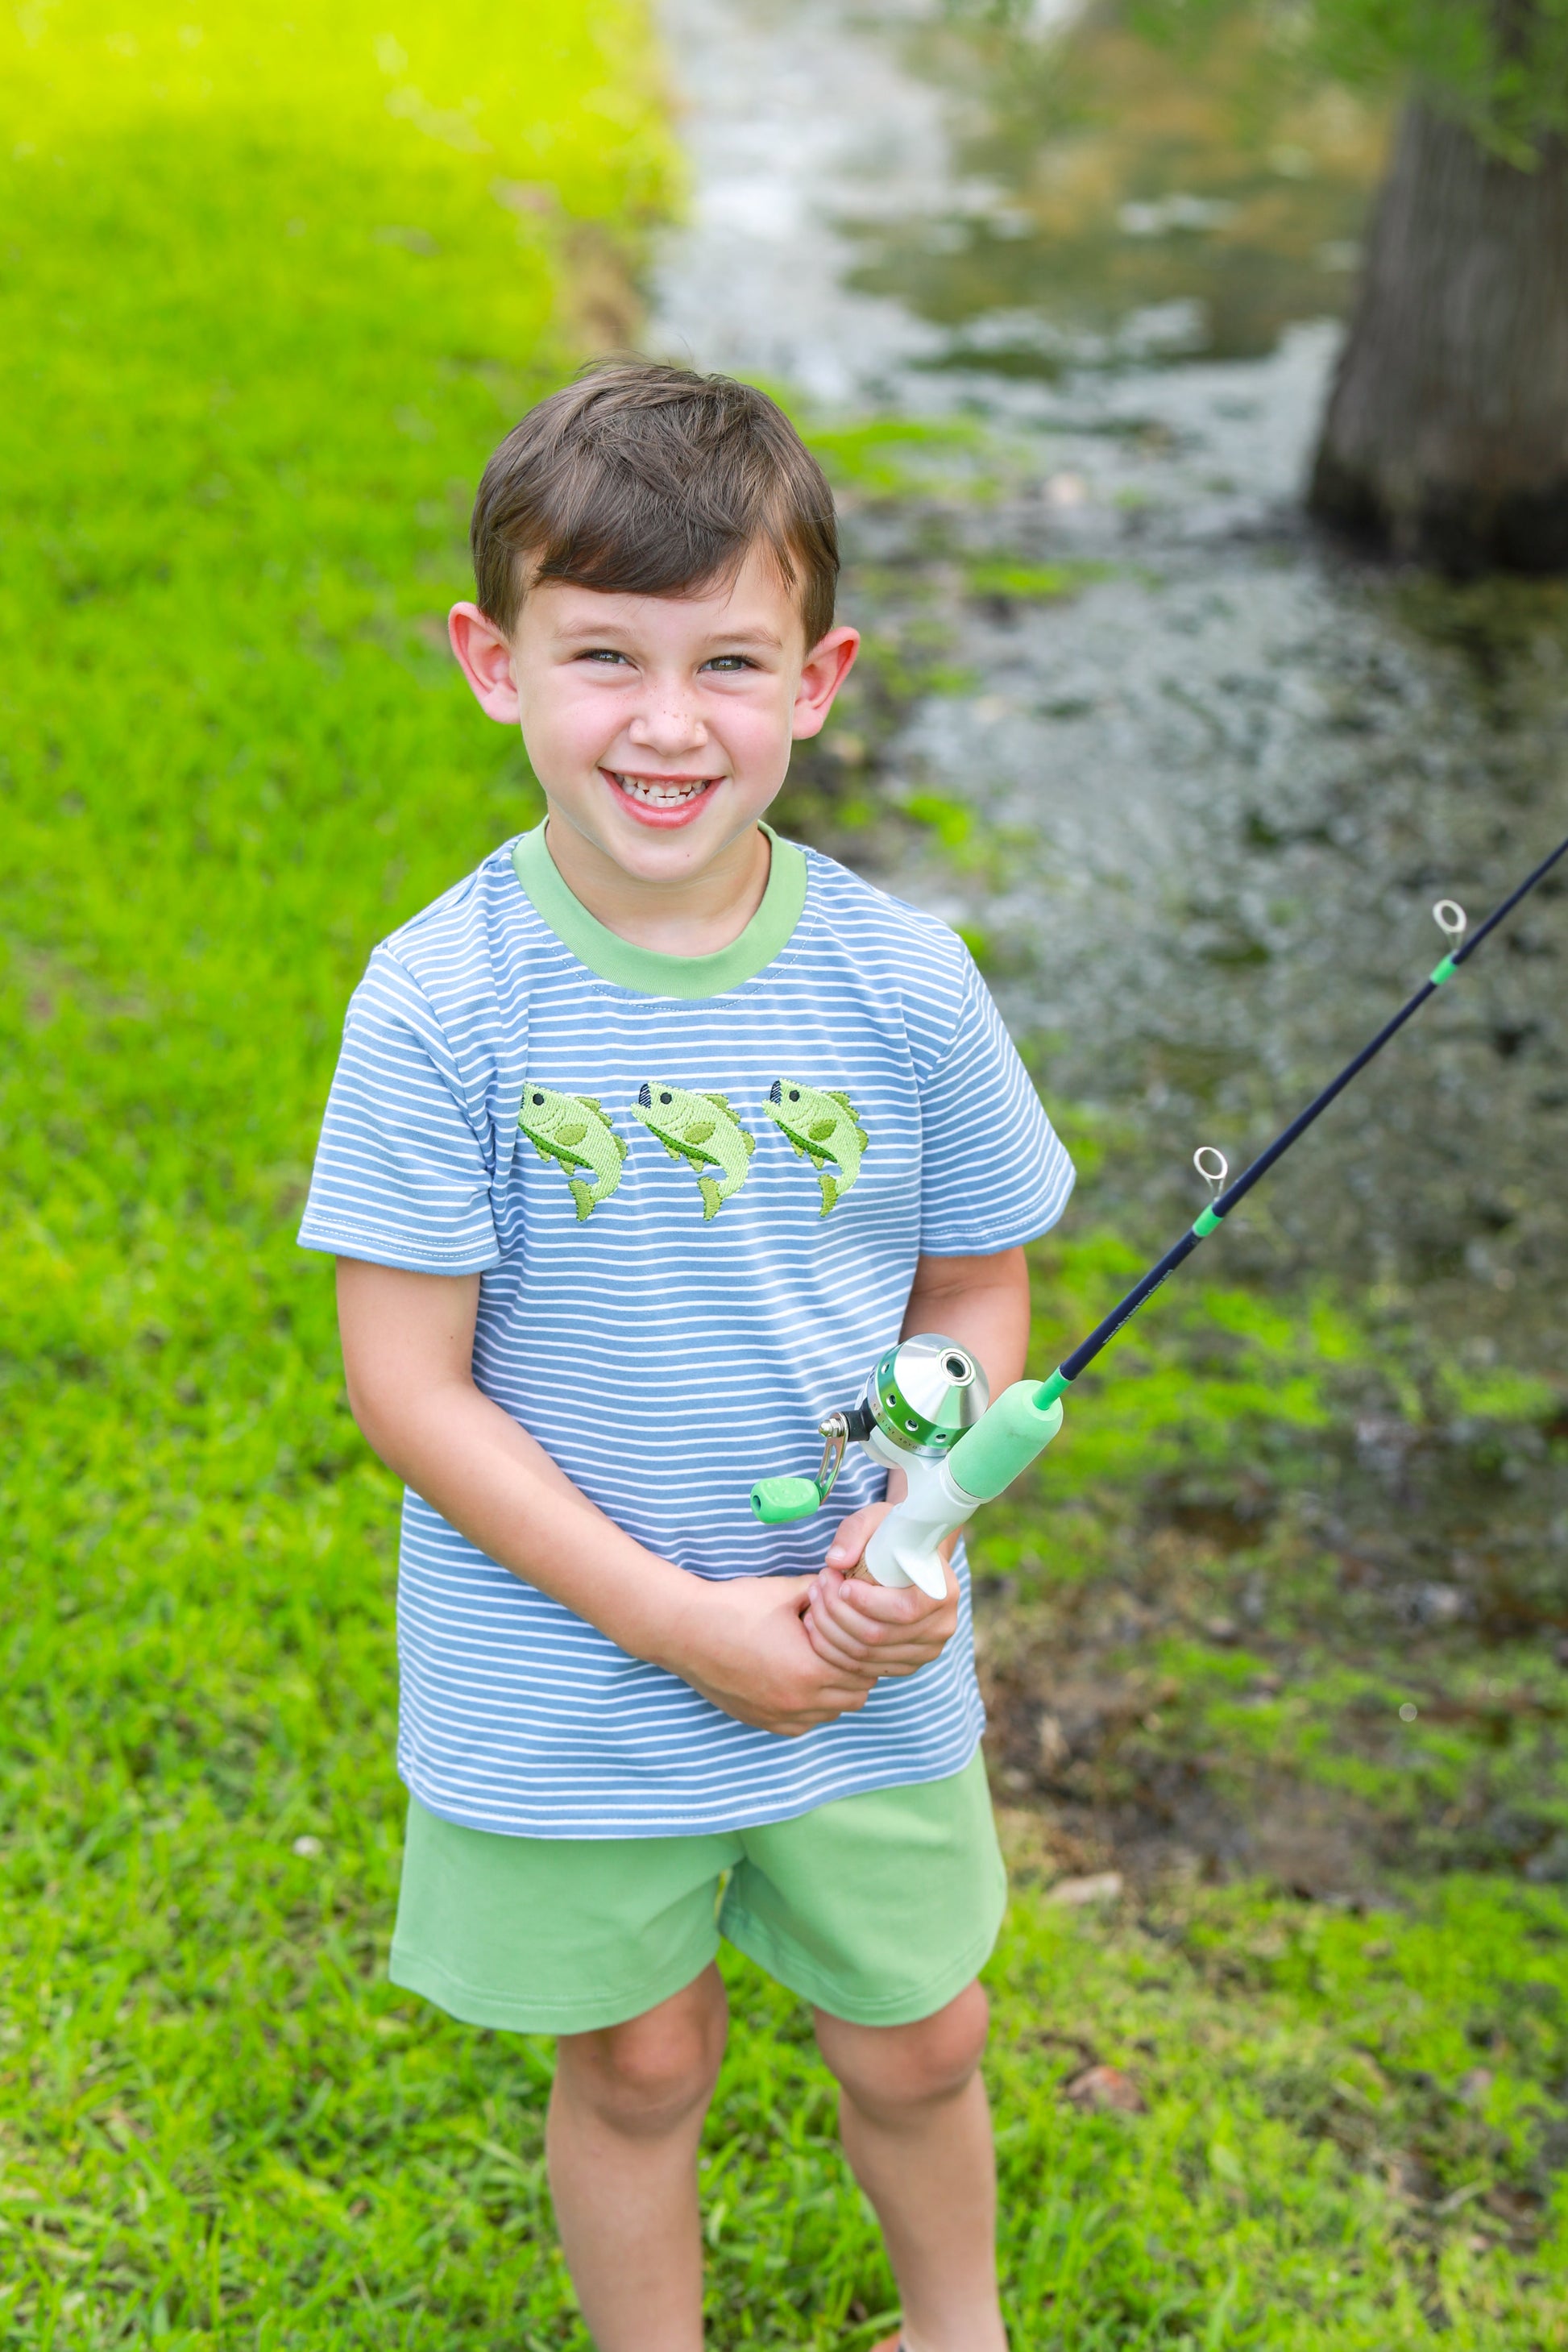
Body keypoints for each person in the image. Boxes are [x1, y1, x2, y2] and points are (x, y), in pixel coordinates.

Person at [298, 359, 1074, 2352]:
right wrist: (671, 1621)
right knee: (637, 2055)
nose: (666, 723)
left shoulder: (906, 980)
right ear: (495, 663)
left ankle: (956, 2328)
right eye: (604, 655)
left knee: (923, 2029)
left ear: (818, 681)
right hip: (570, 1658)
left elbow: (974, 1287)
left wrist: (921, 1516)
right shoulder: (435, 1000)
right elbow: (407, 1388)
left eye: (729, 661)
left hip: (856, 1648)